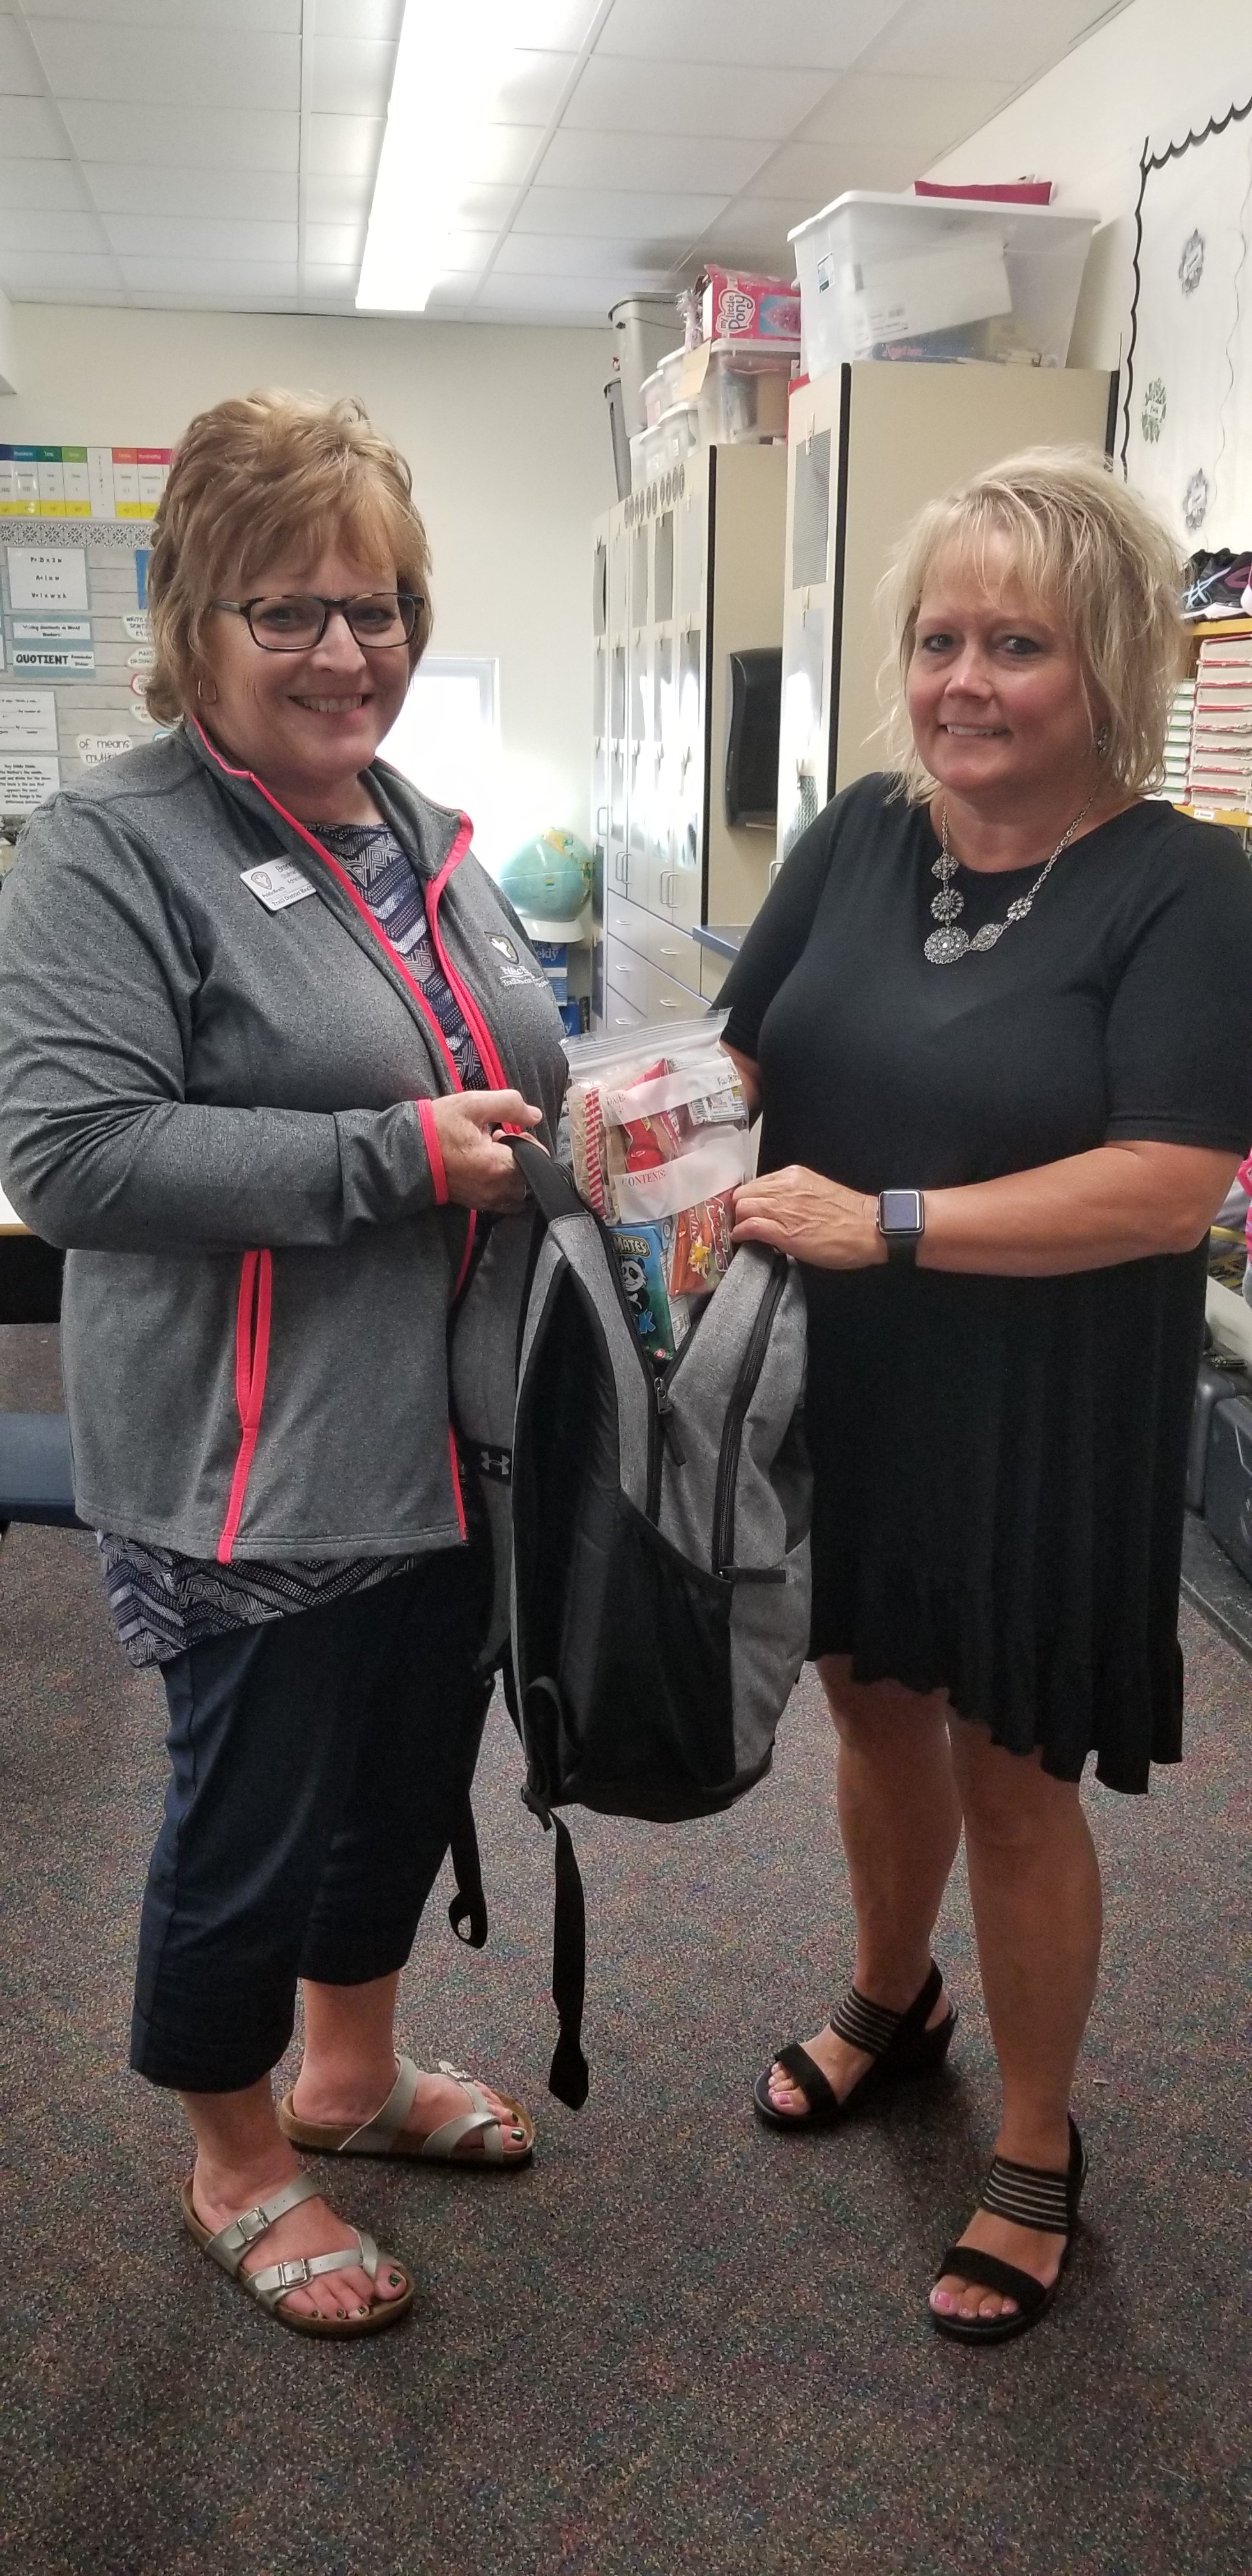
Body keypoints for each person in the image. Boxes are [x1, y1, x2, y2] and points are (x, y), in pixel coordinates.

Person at [0, 391, 567, 2340]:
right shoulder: (110, 846)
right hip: (249, 1457)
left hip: (445, 1436)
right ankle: (238, 2162)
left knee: (402, 1784)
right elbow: (70, 1159)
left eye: (383, 605)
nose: (352, 652)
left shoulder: (425, 831)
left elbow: (499, 1067)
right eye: (292, 612)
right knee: (249, 1817)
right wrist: (393, 1156)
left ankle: (349, 2072)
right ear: (190, 623)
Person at [722, 449, 1252, 2345]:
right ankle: (892, 1994)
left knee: (1017, 1782)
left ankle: (1035, 2138)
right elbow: (740, 1045)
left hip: (1045, 1403)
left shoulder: (1188, 886)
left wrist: (899, 1222)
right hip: (849, 1383)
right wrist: (661, 1144)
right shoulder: (861, 832)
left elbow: (1172, 1179)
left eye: (1013, 643)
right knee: (873, 1717)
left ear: (1108, 659)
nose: (960, 681)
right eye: (939, 637)